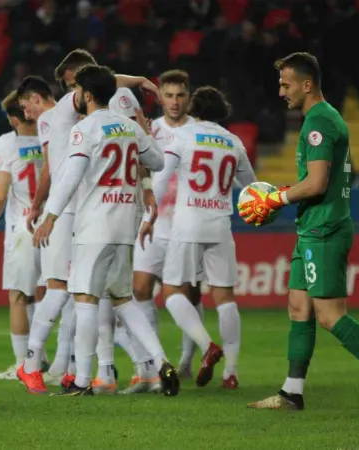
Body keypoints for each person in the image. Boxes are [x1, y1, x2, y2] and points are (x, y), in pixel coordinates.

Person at [242, 52, 359, 412]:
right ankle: (291, 392)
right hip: (311, 228)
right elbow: (317, 181)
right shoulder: (322, 119)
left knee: (330, 314)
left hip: (324, 229)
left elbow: (316, 184)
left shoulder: (319, 121)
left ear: (306, 84)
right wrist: (286, 192)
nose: (281, 92)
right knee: (298, 306)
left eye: (286, 85)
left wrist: (276, 198)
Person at [32, 65, 177, 396]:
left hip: (95, 224)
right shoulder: (129, 126)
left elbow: (70, 175)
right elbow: (156, 161)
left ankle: (82, 380)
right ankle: (160, 360)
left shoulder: (84, 129)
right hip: (126, 222)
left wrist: (51, 216)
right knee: (123, 299)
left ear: (86, 94)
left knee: (85, 299)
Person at [151, 86, 256, 389]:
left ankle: (207, 345)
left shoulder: (183, 136)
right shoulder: (233, 142)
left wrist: (148, 217)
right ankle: (232, 372)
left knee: (172, 293)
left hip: (187, 224)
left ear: (193, 109)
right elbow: (253, 187)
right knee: (225, 298)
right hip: (220, 225)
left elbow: (161, 178)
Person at [118, 69, 204, 395]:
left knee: (187, 294)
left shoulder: (199, 130)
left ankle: (185, 360)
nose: (174, 101)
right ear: (160, 97)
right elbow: (139, 164)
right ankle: (155, 368)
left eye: (180, 95)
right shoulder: (149, 129)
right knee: (140, 289)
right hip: (151, 222)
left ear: (188, 97)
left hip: (186, 225)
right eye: (168, 95)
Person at [0, 91, 43, 381]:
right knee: (44, 296)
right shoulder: (52, 138)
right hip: (53, 227)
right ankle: (44, 361)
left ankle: (22, 366)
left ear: (15, 119)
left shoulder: (7, 143)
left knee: (17, 296)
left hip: (22, 230)